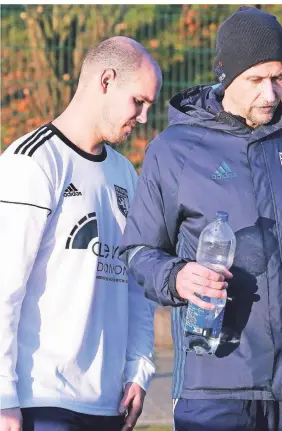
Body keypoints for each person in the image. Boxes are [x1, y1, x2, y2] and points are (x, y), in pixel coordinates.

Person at [119, 6, 282, 431]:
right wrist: (177, 277)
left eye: (279, 77)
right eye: (256, 80)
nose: (270, 93)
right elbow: (137, 251)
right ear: (226, 75)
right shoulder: (174, 150)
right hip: (216, 386)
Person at [0, 36, 162, 431]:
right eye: (138, 102)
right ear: (106, 81)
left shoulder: (125, 173)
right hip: (42, 400)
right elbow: (5, 287)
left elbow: (136, 284)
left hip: (109, 405)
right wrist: (3, 398)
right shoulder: (33, 163)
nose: (142, 117)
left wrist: (138, 368)